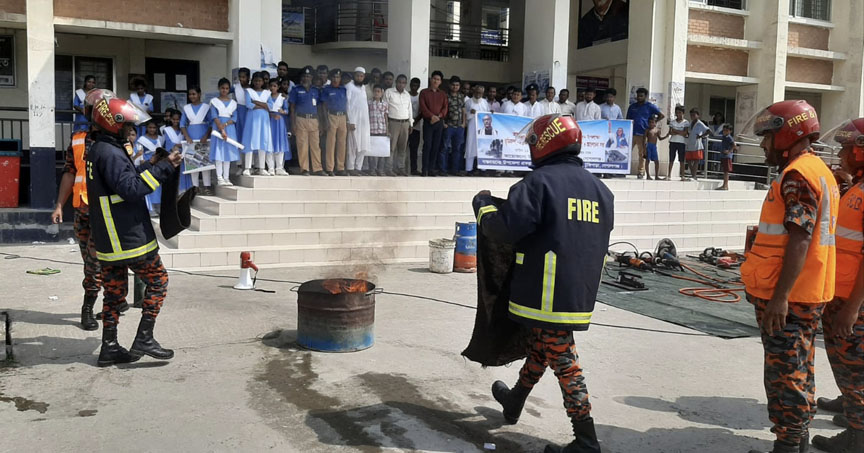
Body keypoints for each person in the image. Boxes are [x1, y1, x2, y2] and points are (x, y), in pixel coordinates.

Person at [474, 113, 612, 453]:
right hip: (579, 293)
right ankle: (515, 400)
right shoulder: (601, 190)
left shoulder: (537, 184)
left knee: (564, 360)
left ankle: (586, 441)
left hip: (544, 293)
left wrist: (483, 207)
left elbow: (503, 230)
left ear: (545, 143)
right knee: (543, 347)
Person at [740, 99, 839, 453]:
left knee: (786, 375)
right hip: (806, 291)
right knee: (799, 369)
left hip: (790, 297)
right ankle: (797, 442)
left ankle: (788, 445)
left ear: (787, 135)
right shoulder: (817, 169)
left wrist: (780, 298)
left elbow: (800, 237)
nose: (764, 145)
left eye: (768, 137)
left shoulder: (798, 176)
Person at [84, 89, 182, 367]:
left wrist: (150, 164)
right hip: (127, 236)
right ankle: (144, 338)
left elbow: (121, 181)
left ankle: (109, 347)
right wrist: (163, 169)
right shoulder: (111, 153)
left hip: (109, 238)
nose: (131, 131)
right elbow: (130, 189)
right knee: (159, 281)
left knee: (114, 292)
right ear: (113, 124)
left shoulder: (101, 149)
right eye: (127, 125)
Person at [809, 118, 864, 453]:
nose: (841, 155)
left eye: (846, 149)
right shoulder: (858, 187)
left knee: (854, 368)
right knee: (849, 366)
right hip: (840, 293)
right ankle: (851, 407)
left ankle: (857, 438)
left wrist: (852, 308)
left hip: (852, 300)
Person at [52, 126, 128, 331]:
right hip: (82, 209)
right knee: (89, 260)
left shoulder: (117, 139)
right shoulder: (78, 139)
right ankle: (116, 301)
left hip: (104, 211)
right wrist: (59, 205)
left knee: (96, 263)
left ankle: (89, 307)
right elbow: (70, 173)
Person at [290, 67, 324, 176]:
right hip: (301, 119)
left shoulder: (316, 90)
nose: (306, 78)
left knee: (316, 146)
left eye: (308, 76)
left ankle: (317, 168)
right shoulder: (296, 89)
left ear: (312, 77)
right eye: (304, 76)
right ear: (301, 77)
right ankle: (304, 168)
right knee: (302, 145)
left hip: (314, 119)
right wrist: (293, 124)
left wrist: (321, 123)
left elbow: (319, 108)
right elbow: (292, 108)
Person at [180, 86, 213, 193]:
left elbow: (211, 123)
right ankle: (195, 187)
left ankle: (207, 187)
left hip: (203, 137)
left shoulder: (206, 107)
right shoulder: (186, 108)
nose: (192, 96)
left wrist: (206, 136)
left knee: (205, 162)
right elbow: (182, 124)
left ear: (199, 94)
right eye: (190, 94)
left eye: (194, 94)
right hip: (191, 137)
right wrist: (187, 136)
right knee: (192, 163)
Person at [241, 72, 275, 176]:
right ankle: (247, 168)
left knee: (263, 141)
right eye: (256, 81)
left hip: (264, 120)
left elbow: (270, 106)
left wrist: (256, 102)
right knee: (250, 141)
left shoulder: (267, 93)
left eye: (260, 81)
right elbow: (248, 104)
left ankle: (262, 168)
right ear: (253, 81)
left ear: (263, 82)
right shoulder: (249, 91)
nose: (257, 83)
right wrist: (263, 106)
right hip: (252, 119)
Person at [626, 87, 664, 179]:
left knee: (642, 154)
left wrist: (653, 123)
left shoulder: (650, 106)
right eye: (638, 96)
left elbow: (662, 115)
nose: (639, 97)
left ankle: (641, 172)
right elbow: (627, 119)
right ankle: (622, 170)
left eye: (641, 96)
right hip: (631, 133)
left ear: (645, 96)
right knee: (626, 152)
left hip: (643, 134)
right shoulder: (632, 107)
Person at [210, 77, 242, 185]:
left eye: (227, 88)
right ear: (219, 88)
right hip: (218, 128)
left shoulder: (233, 103)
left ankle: (226, 177)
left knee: (227, 153)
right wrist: (221, 128)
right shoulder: (214, 101)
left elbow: (235, 118)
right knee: (219, 153)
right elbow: (214, 116)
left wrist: (226, 125)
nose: (224, 90)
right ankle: (219, 177)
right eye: (222, 88)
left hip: (229, 128)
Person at [419, 70, 448, 177]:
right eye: (434, 79)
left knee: (436, 146)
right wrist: (431, 116)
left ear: (440, 82)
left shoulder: (443, 94)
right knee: (427, 145)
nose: (436, 81)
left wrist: (439, 116)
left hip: (439, 123)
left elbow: (445, 108)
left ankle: (431, 169)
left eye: (438, 79)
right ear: (431, 79)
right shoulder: (424, 92)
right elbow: (423, 107)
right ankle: (424, 169)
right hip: (428, 122)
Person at [323, 68, 349, 176]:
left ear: (340, 78)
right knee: (330, 143)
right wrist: (326, 120)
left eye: (338, 77)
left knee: (342, 143)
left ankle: (340, 167)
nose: (335, 79)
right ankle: (330, 168)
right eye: (333, 77)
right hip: (332, 116)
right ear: (330, 78)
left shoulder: (343, 89)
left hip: (342, 116)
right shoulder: (327, 89)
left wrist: (347, 120)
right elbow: (324, 106)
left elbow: (346, 105)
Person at [385, 74, 413, 176]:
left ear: (406, 84)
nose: (401, 84)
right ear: (396, 82)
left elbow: (409, 109)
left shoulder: (407, 94)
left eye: (403, 83)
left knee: (402, 148)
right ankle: (389, 169)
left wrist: (411, 123)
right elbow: (385, 108)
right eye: (399, 82)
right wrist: (386, 125)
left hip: (405, 123)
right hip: (393, 122)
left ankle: (400, 168)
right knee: (391, 147)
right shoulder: (389, 92)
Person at [136, 121, 165, 213]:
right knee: (149, 183)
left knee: (157, 184)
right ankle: (150, 208)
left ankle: (158, 206)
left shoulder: (160, 138)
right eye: (150, 127)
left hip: (158, 163)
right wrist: (143, 161)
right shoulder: (142, 139)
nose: (152, 129)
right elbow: (140, 152)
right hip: (148, 163)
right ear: (146, 128)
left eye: (154, 128)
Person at [346, 67, 371, 176]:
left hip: (364, 121)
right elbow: (347, 104)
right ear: (354, 75)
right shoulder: (349, 86)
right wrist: (350, 121)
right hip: (354, 120)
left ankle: (358, 167)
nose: (359, 78)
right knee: (353, 145)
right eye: (357, 76)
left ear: (364, 77)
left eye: (361, 76)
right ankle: (350, 167)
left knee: (363, 145)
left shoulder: (363, 88)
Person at [442, 76, 466, 176]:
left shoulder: (461, 96)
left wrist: (464, 123)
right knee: (445, 148)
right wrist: (443, 123)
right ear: (449, 85)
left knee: (457, 149)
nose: (455, 87)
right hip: (449, 126)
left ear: (459, 86)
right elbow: (442, 109)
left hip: (459, 127)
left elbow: (463, 110)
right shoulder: (445, 96)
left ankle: (455, 170)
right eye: (453, 85)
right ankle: (443, 170)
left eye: (457, 85)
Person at [268, 79, 291, 176]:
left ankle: (279, 167)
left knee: (280, 143)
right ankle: (271, 167)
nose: (272, 88)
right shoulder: (267, 97)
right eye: (271, 86)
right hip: (269, 121)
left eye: (274, 86)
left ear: (278, 87)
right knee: (270, 144)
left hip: (279, 122)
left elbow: (287, 110)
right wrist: (271, 114)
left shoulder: (282, 98)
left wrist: (283, 112)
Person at [465, 84, 490, 174]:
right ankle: (469, 169)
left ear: (483, 93)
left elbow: (488, 115)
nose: (478, 94)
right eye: (476, 92)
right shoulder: (469, 102)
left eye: (480, 93)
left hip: (482, 129)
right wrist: (470, 113)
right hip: (472, 128)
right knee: (470, 147)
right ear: (473, 92)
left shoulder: (485, 102)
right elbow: (465, 116)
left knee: (483, 147)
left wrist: (491, 113)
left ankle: (483, 170)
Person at [367, 84, 390, 176]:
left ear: (382, 93)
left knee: (382, 151)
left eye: (378, 91)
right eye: (375, 91)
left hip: (382, 130)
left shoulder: (385, 104)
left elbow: (386, 117)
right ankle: (372, 169)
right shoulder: (369, 103)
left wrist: (387, 130)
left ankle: (380, 169)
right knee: (372, 152)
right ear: (372, 92)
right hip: (372, 130)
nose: (376, 93)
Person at [661, 105, 689, 181]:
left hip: (681, 142)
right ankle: (669, 175)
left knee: (682, 160)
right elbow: (670, 132)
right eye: (677, 113)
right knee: (671, 159)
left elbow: (685, 133)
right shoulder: (672, 122)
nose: (678, 114)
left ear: (683, 113)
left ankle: (682, 176)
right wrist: (680, 132)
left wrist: (676, 131)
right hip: (673, 142)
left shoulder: (686, 122)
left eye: (680, 112)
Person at [684, 108, 709, 180]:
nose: (692, 116)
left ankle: (694, 175)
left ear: (698, 115)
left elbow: (708, 131)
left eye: (694, 115)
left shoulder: (700, 123)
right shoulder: (690, 123)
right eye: (691, 115)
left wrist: (701, 136)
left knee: (696, 160)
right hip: (689, 144)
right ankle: (693, 174)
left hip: (697, 145)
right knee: (688, 160)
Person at [408, 77, 423, 176]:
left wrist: (414, 122)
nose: (414, 87)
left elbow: (422, 111)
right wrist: (409, 122)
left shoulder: (420, 97)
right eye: (412, 85)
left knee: (414, 149)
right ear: (410, 85)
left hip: (416, 127)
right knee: (402, 149)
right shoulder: (406, 95)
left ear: (418, 86)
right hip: (405, 125)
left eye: (416, 86)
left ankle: (414, 169)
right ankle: (402, 168)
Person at [233, 67, 251, 141]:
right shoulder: (236, 87)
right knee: (239, 130)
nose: (241, 79)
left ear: (248, 78)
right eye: (240, 77)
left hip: (249, 111)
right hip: (239, 111)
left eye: (243, 77)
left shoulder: (252, 88)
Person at [717, 123, 736, 190]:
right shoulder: (724, 137)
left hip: (727, 156)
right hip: (723, 156)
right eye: (724, 130)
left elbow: (734, 145)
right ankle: (724, 185)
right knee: (724, 171)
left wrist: (729, 151)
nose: (725, 132)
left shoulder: (729, 138)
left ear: (730, 131)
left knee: (726, 171)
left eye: (726, 130)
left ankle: (725, 185)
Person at [644, 116, 661, 180]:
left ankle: (656, 176)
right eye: (650, 122)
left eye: (652, 122)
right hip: (648, 146)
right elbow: (644, 139)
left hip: (654, 146)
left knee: (656, 161)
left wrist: (667, 135)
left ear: (655, 123)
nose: (651, 124)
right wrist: (644, 149)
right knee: (647, 160)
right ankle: (648, 175)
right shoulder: (647, 130)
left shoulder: (657, 130)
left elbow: (660, 138)